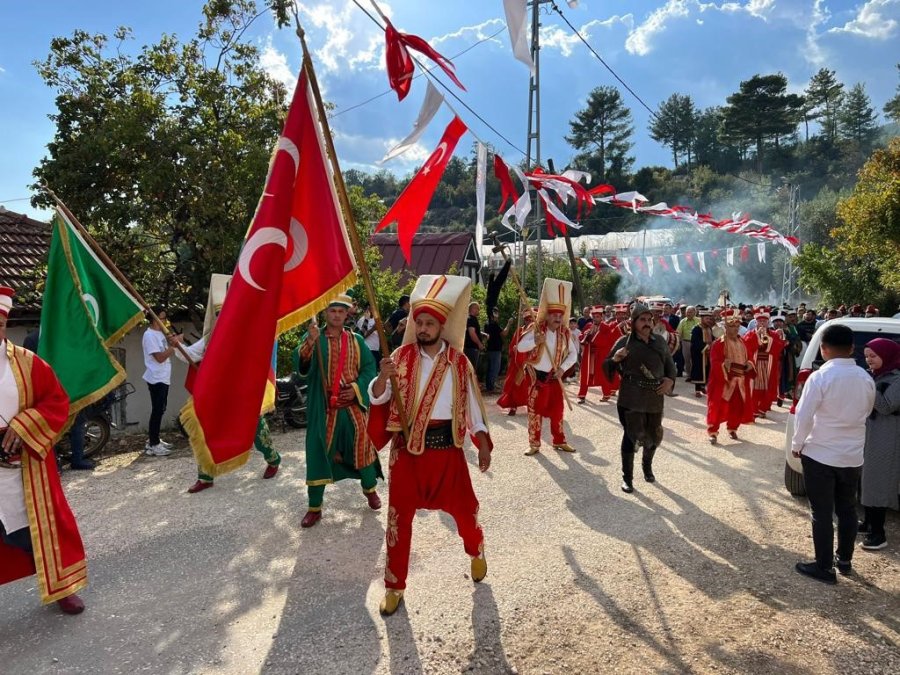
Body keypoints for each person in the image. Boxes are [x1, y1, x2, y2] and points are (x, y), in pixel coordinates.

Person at [367, 275, 492, 616]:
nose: (422, 328)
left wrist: (481, 443)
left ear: (441, 325)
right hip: (406, 454)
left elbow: (472, 407)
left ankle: (475, 548)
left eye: (428, 323)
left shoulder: (458, 362)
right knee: (397, 520)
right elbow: (379, 398)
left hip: (447, 452)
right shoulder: (400, 356)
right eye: (418, 322)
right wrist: (381, 377)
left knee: (465, 512)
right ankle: (395, 586)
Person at [0, 286, 87, 614]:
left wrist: (25, 425)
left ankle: (62, 585)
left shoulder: (27, 363)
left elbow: (56, 401)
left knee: (40, 528)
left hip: (27, 464)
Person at [791, 324, 875, 583]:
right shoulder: (866, 378)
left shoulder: (820, 377)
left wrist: (797, 444)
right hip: (851, 455)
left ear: (824, 350)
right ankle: (845, 560)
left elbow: (804, 416)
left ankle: (824, 566)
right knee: (847, 508)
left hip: (820, 453)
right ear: (852, 349)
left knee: (822, 511)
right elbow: (867, 412)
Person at [294, 295, 382, 528]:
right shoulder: (313, 336)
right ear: (325, 313)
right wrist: (310, 343)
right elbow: (301, 367)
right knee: (318, 452)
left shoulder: (356, 341)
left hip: (352, 408)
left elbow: (368, 369)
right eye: (332, 310)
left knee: (362, 448)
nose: (336, 315)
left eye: (340, 311)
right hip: (324, 410)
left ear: (347, 314)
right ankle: (314, 507)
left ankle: (370, 490)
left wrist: (355, 390)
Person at [603, 303, 676, 493]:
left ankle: (647, 467)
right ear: (633, 322)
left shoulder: (659, 341)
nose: (646, 323)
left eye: (649, 320)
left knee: (654, 436)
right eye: (642, 320)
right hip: (631, 396)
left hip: (654, 396)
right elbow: (606, 365)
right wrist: (616, 360)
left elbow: (670, 364)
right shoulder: (624, 342)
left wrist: (669, 380)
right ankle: (627, 478)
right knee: (631, 436)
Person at [516, 279, 579, 455]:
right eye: (554, 315)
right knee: (534, 412)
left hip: (555, 378)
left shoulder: (565, 333)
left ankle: (559, 441)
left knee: (558, 412)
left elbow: (573, 355)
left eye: (560, 315)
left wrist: (562, 368)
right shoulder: (535, 329)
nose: (557, 318)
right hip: (537, 378)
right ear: (548, 315)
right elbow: (520, 347)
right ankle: (534, 444)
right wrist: (535, 341)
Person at [859, 338, 900, 551]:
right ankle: (868, 523)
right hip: (870, 434)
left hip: (887, 437)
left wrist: (867, 386)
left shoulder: (897, 379)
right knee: (867, 479)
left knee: (879, 482)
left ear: (887, 355)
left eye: (873, 356)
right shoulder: (878, 376)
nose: (869, 360)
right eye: (866, 356)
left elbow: (885, 406)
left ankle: (878, 533)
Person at [706, 310, 755, 444]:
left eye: (737, 326)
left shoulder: (743, 342)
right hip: (724, 379)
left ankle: (733, 428)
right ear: (725, 327)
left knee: (737, 406)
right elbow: (714, 362)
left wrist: (750, 364)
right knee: (717, 406)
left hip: (740, 379)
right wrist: (723, 365)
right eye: (732, 326)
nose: (735, 329)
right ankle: (713, 431)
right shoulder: (719, 343)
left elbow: (750, 357)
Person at [142, 307, 180, 457]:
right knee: (157, 410)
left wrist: (173, 341)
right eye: (162, 318)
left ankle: (155, 438)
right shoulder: (149, 335)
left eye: (165, 318)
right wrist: (174, 346)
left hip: (163, 376)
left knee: (161, 408)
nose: (165, 321)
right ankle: (153, 444)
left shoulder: (160, 334)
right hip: (156, 377)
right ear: (154, 319)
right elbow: (159, 357)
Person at [743, 310, 786, 418]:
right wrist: (757, 336)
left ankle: (763, 407)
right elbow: (746, 346)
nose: (762, 323)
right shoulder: (750, 334)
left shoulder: (774, 334)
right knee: (754, 387)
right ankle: (753, 409)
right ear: (756, 322)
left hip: (769, 365)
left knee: (768, 387)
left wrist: (774, 339)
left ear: (768, 323)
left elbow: (779, 347)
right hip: (755, 363)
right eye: (760, 321)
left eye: (764, 321)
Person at [497, 306, 536, 416]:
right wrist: (514, 348)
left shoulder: (535, 332)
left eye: (531, 319)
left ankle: (531, 406)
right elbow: (512, 345)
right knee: (513, 385)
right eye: (527, 319)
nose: (529, 321)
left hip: (530, 363)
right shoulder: (519, 330)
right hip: (517, 363)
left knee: (530, 386)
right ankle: (513, 407)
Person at [577, 305, 615, 404]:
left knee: (602, 373)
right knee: (585, 374)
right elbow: (580, 336)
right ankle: (582, 395)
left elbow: (608, 340)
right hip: (589, 354)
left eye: (597, 317)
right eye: (594, 317)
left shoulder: (605, 327)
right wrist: (586, 335)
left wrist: (596, 336)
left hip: (600, 354)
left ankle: (606, 394)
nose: (595, 319)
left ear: (601, 317)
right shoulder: (588, 325)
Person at [690, 310, 716, 397]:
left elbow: (712, 338)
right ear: (701, 319)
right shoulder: (696, 329)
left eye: (709, 318)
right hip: (699, 354)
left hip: (708, 353)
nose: (708, 320)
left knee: (707, 370)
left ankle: (702, 386)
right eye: (706, 318)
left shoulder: (709, 328)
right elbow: (695, 342)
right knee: (699, 370)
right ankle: (697, 390)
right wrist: (705, 347)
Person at [483, 308, 505, 393]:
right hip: (495, 350)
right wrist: (509, 324)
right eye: (496, 314)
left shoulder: (487, 324)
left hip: (490, 349)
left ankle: (489, 386)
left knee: (490, 368)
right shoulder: (494, 325)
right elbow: (504, 333)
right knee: (494, 368)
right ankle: (491, 387)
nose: (497, 316)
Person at [676, 306, 699, 378]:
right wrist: (678, 343)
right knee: (687, 359)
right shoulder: (682, 321)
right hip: (685, 342)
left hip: (696, 343)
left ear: (694, 313)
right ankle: (689, 375)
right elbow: (678, 333)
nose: (688, 314)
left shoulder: (699, 321)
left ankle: (695, 375)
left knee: (695, 359)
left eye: (690, 312)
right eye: (687, 312)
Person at [356, 305, 381, 369]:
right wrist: (373, 328)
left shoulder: (376, 320)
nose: (372, 310)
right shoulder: (362, 320)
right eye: (370, 309)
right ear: (367, 309)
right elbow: (362, 336)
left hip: (376, 350)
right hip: (367, 350)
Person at [464, 302, 484, 372]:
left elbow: (474, 330)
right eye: (477, 308)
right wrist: (479, 344)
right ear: (473, 309)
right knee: (471, 371)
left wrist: (484, 334)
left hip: (471, 348)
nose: (478, 310)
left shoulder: (471, 319)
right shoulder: (471, 319)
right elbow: (472, 333)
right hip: (471, 349)